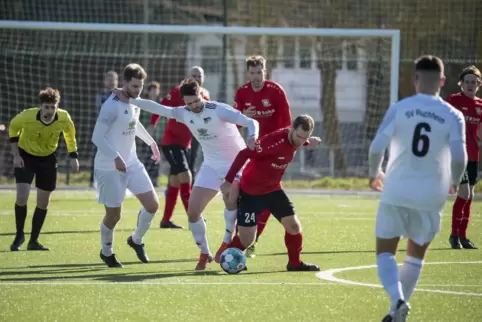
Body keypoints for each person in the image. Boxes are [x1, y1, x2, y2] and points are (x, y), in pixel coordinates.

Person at [368, 55, 467, 321]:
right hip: (431, 195)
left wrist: (374, 173)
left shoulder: (400, 108)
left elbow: (377, 146)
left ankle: (397, 299)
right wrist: (455, 181)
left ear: (415, 79)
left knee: (386, 253)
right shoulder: (453, 115)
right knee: (415, 257)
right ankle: (396, 313)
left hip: (397, 189)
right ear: (443, 82)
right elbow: (459, 156)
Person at [123, 77, 259, 270]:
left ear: (201, 94)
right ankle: (204, 252)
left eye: (196, 101)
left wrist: (253, 137)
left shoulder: (218, 109)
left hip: (235, 165)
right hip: (211, 166)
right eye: (189, 103)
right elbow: (156, 108)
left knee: (230, 198)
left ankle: (226, 242)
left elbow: (251, 122)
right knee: (193, 212)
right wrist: (129, 99)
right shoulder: (184, 113)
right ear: (184, 102)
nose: (194, 106)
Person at [219, 115, 321, 271]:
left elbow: (299, 141)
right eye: (299, 136)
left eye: (305, 138)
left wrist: (308, 142)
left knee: (294, 226)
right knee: (247, 240)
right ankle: (226, 257)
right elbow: (243, 154)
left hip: (273, 190)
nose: (301, 141)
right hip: (250, 192)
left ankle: (294, 264)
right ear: (292, 129)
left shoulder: (297, 139)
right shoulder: (271, 143)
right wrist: (228, 181)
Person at [92, 63, 161, 268]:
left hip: (131, 162)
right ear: (124, 83)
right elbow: (97, 137)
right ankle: (106, 252)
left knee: (152, 205)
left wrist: (151, 142)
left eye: (140, 86)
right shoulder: (111, 105)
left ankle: (136, 240)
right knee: (114, 215)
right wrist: (115, 157)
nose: (137, 91)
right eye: (133, 86)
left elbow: (134, 123)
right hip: (109, 167)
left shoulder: (134, 102)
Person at [227, 55, 292, 259]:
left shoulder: (275, 91)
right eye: (252, 73)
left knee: (266, 194)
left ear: (265, 71)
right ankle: (238, 237)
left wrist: (286, 147)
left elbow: (288, 123)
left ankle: (250, 240)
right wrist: (244, 115)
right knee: (243, 193)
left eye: (259, 72)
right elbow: (234, 124)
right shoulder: (242, 92)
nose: (256, 77)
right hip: (253, 151)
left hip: (274, 151)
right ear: (248, 73)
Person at [8, 87, 80, 251]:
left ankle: (34, 241)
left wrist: (73, 156)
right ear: (40, 106)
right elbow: (13, 127)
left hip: (48, 159)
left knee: (43, 202)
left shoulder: (64, 118)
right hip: (26, 156)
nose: (49, 111)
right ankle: (19, 234)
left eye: (52, 107)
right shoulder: (27, 116)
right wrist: (16, 155)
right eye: (46, 107)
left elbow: (70, 135)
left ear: (57, 107)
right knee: (22, 195)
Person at [148, 67, 210, 229]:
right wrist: (152, 124)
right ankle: (194, 217)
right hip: (171, 143)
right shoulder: (178, 92)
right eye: (193, 75)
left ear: (203, 78)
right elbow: (161, 106)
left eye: (199, 76)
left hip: (186, 144)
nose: (196, 78)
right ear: (188, 77)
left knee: (175, 181)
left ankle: (165, 220)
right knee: (186, 176)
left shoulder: (205, 96)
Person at [446, 66, 482, 250]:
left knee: (470, 196)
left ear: (478, 84)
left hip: (474, 155)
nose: (470, 85)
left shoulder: (480, 105)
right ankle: (454, 235)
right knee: (464, 194)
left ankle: (463, 236)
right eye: (466, 82)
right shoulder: (453, 101)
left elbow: (479, 133)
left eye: (473, 82)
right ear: (461, 83)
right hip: (459, 155)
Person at [90, 71, 118, 187]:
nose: (111, 81)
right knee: (97, 153)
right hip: (103, 130)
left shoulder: (121, 96)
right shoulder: (100, 96)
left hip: (117, 131)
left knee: (117, 153)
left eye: (114, 79)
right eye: (109, 79)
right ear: (105, 81)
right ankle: (93, 179)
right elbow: (99, 112)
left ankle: (117, 179)